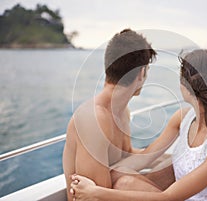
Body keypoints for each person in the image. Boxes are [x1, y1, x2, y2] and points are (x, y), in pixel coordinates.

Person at [70, 49, 207, 200]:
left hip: (176, 197)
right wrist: (108, 174)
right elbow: (149, 155)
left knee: (125, 183)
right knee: (121, 178)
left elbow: (168, 197)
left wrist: (95, 192)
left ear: (191, 86)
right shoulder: (183, 119)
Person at [62, 28, 158, 201]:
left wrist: (167, 156)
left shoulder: (121, 111)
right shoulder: (93, 119)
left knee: (170, 169)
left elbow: (127, 155)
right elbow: (95, 196)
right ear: (142, 73)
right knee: (126, 183)